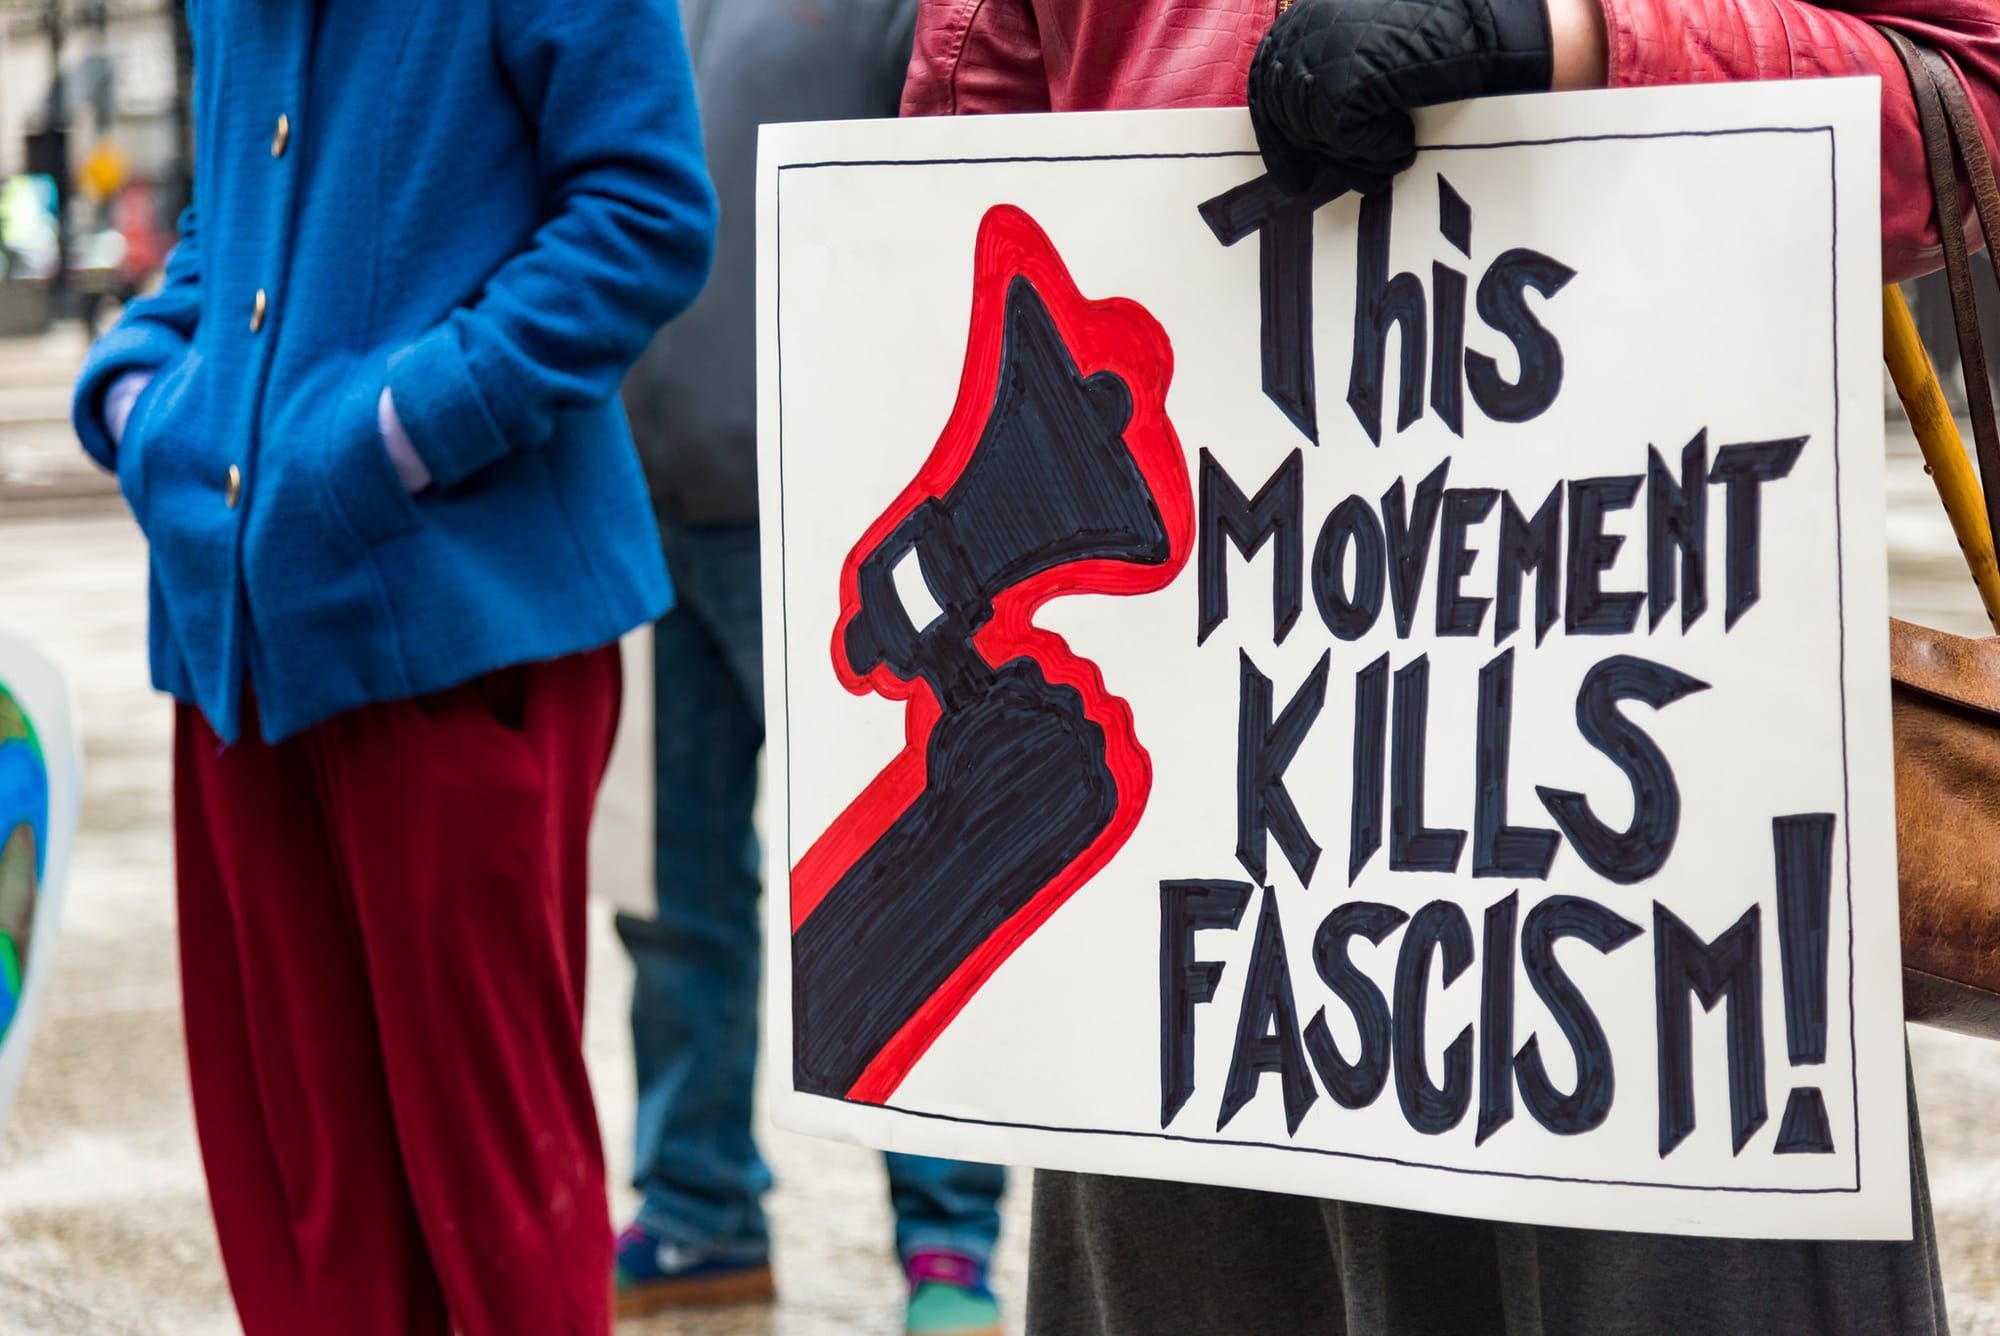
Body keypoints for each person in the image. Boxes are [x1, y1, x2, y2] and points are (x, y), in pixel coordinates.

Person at [903, 0, 1999, 1332]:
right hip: (1210, 822)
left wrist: (1562, 42)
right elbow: (967, 165)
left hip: (1646, 841)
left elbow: (1970, 102)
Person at [68, 2, 715, 1332]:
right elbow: (229, 225)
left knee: (487, 1194)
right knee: (302, 1185)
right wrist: (143, 400)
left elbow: (644, 213)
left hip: (462, 617)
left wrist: (392, 435)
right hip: (235, 627)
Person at [608, 2, 1009, 1333]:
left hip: (834, 520)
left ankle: (949, 1244)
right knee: (671, 899)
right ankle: (696, 1210)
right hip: (644, 518)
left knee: (901, 894)